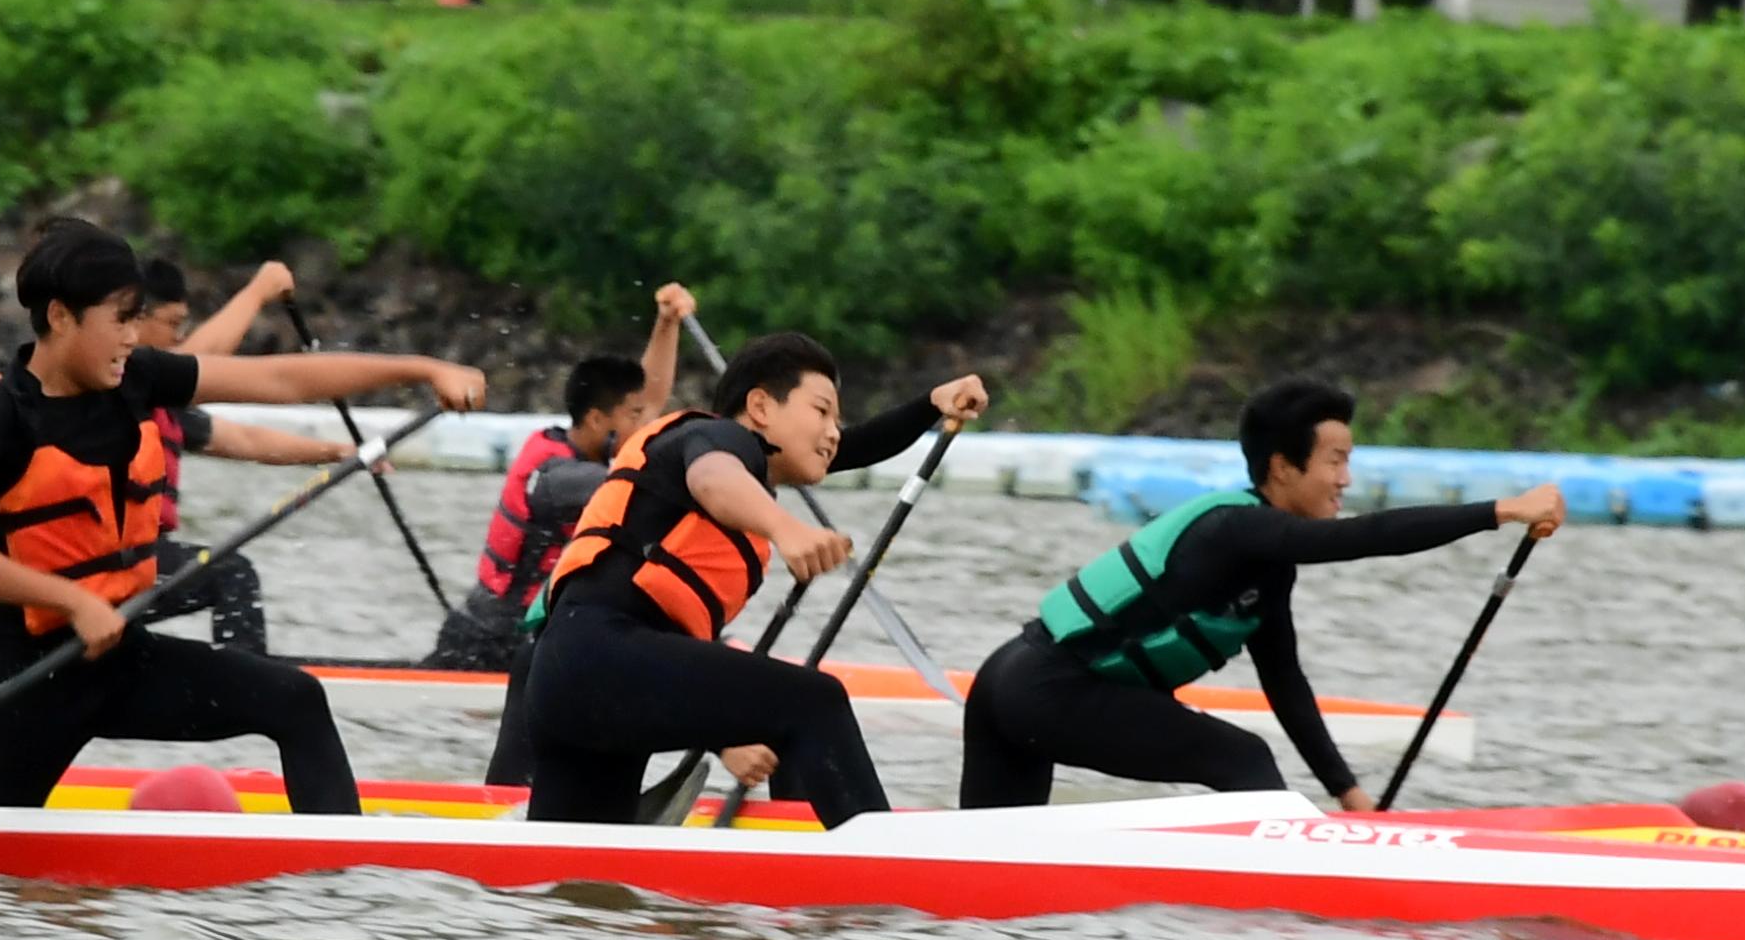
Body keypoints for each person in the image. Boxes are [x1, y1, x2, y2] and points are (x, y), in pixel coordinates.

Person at [0, 218, 487, 811]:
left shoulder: (136, 379)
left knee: (296, 700)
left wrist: (424, 370)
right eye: (121, 318)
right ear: (60, 316)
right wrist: (73, 602)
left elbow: (282, 377)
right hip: (28, 682)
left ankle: (343, 880)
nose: (134, 336)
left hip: (121, 662)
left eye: (139, 317)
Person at [957, 376, 1565, 812]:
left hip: (1009, 686)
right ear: (1282, 467)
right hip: (1046, 691)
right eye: (1335, 461)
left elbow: (1286, 686)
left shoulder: (1265, 566)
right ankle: (1291, 895)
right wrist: (1502, 510)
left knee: (985, 879)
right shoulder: (1237, 529)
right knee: (1242, 756)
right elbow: (1370, 536)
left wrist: (1350, 796)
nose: (1345, 480)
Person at [520, 331, 987, 828]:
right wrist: (788, 531)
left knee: (581, 874)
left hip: (570, 678)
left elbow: (856, 445)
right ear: (761, 406)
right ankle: (887, 875)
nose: (834, 431)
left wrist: (931, 405)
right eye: (822, 410)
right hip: (602, 653)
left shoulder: (745, 454)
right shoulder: (717, 439)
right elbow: (712, 478)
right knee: (813, 702)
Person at [428, 281, 697, 673]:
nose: (645, 424)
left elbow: (650, 397)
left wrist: (666, 323)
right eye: (634, 417)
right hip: (487, 645)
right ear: (596, 420)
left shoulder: (578, 444)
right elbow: (649, 488)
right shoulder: (562, 479)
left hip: (520, 640)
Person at [129, 254, 351, 652]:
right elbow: (199, 361)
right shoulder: (115, 386)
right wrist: (258, 291)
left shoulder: (163, 411)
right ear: (135, 317)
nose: (179, 337)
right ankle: (248, 692)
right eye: (173, 324)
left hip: (138, 561)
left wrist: (337, 452)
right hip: (103, 566)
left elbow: (247, 440)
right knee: (232, 574)